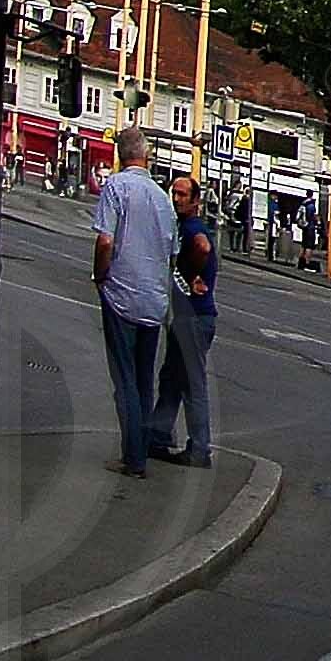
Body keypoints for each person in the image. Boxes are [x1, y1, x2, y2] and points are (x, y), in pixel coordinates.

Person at [87, 131, 176, 478]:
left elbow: (105, 241)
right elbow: (171, 252)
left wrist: (100, 276)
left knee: (124, 379)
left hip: (121, 295)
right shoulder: (163, 198)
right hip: (153, 300)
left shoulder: (117, 187)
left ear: (120, 155)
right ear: (146, 156)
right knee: (143, 379)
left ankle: (133, 458)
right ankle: (141, 450)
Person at [161, 170, 221, 466]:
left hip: (195, 318)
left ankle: (199, 449)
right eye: (174, 193)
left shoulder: (193, 227)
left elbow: (202, 247)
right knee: (171, 378)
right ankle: (158, 435)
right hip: (189, 318)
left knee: (192, 385)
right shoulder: (184, 226)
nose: (176, 199)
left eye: (183, 195)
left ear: (196, 201)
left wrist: (189, 272)